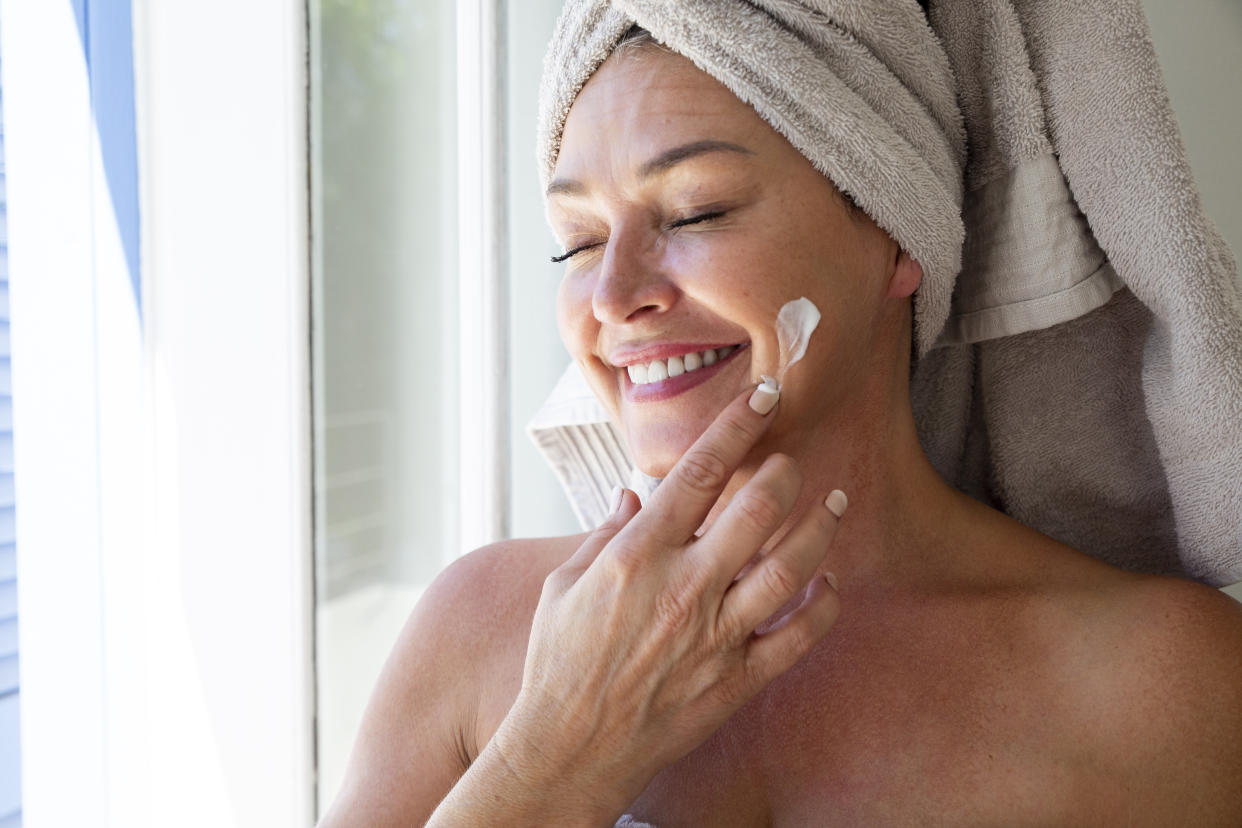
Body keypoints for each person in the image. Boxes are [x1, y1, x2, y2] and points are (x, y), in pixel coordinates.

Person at [318, 13, 1242, 828]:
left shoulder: (1172, 689)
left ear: (893, 236)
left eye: (695, 210)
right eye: (581, 241)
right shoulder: (476, 638)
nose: (612, 295)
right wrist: (550, 766)